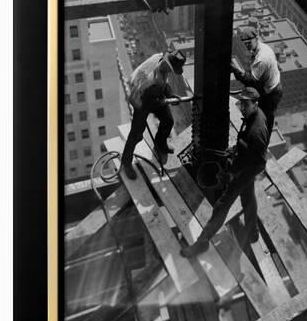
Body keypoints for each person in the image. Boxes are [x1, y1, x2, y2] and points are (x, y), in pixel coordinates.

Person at [181, 87, 269, 258]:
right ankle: (253, 231)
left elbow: (260, 162)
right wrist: (236, 151)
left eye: (246, 104)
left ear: (255, 104)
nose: (242, 107)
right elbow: (248, 148)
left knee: (222, 205)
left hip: (245, 171)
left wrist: (235, 171)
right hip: (245, 167)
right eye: (241, 103)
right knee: (249, 199)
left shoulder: (255, 131)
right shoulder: (255, 116)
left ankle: (202, 243)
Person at [121, 50, 186, 180]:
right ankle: (126, 162)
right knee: (136, 134)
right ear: (167, 63)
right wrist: (162, 100)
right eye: (171, 68)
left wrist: (170, 95)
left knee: (168, 120)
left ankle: (160, 145)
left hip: (155, 93)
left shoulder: (159, 58)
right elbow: (144, 93)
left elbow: (164, 83)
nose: (171, 71)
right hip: (141, 98)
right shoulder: (149, 79)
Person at [231, 26, 282, 136]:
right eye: (245, 43)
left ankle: (260, 144)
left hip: (271, 93)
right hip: (271, 87)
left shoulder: (262, 58)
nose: (247, 45)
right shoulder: (262, 47)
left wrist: (237, 70)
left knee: (264, 121)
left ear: (256, 38)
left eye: (249, 42)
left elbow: (251, 82)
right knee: (262, 118)